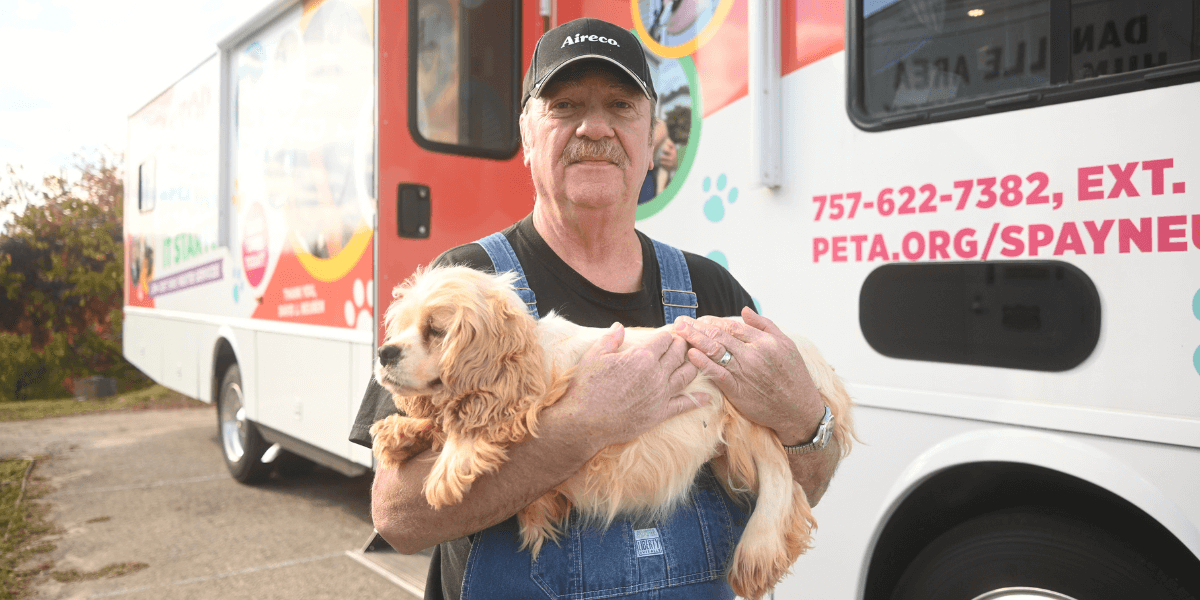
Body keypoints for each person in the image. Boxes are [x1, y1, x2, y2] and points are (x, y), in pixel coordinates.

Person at [350, 18, 843, 600]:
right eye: (564, 106)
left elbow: (807, 483)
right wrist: (582, 425)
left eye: (620, 105)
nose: (594, 126)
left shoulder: (709, 290)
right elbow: (399, 518)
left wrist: (804, 421)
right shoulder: (466, 290)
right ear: (527, 136)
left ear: (651, 132)